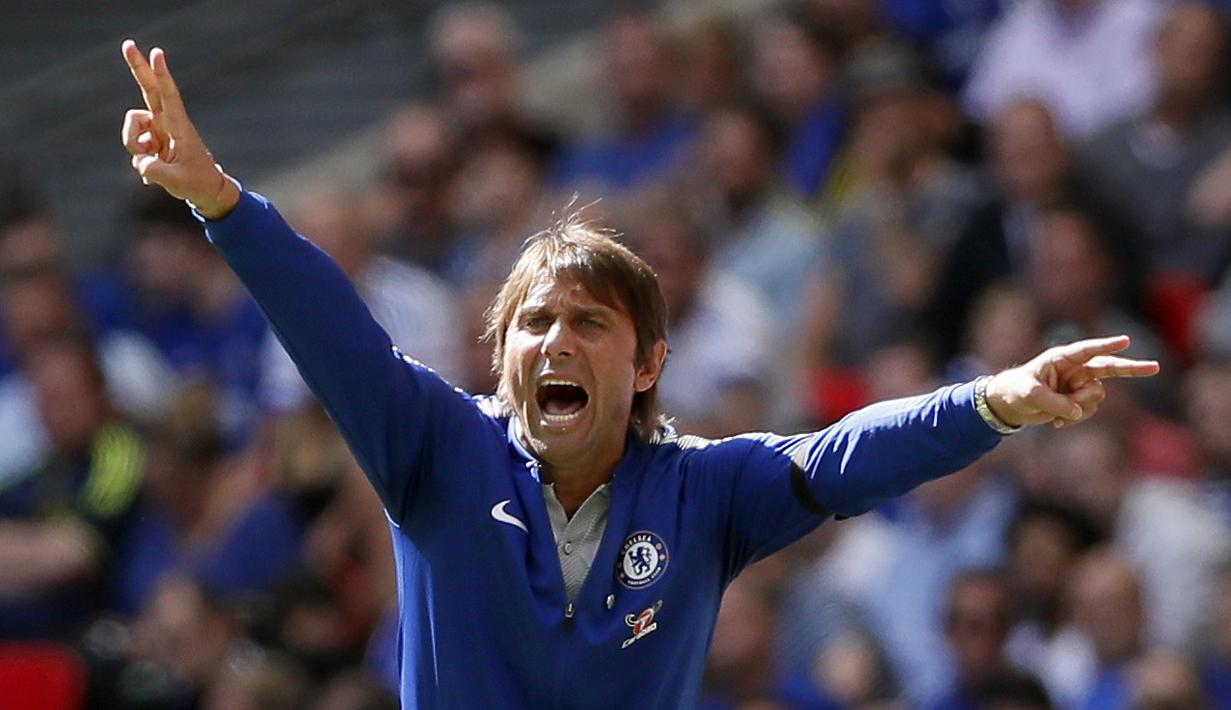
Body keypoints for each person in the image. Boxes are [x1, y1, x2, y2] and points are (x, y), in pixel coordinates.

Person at [118, 40, 1159, 709]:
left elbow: (844, 456)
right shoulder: (435, 445)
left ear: (650, 359)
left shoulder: (709, 491)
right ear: (502, 350)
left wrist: (994, 401)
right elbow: (328, 323)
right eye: (533, 322)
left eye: (587, 323)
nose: (556, 341)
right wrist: (218, 197)